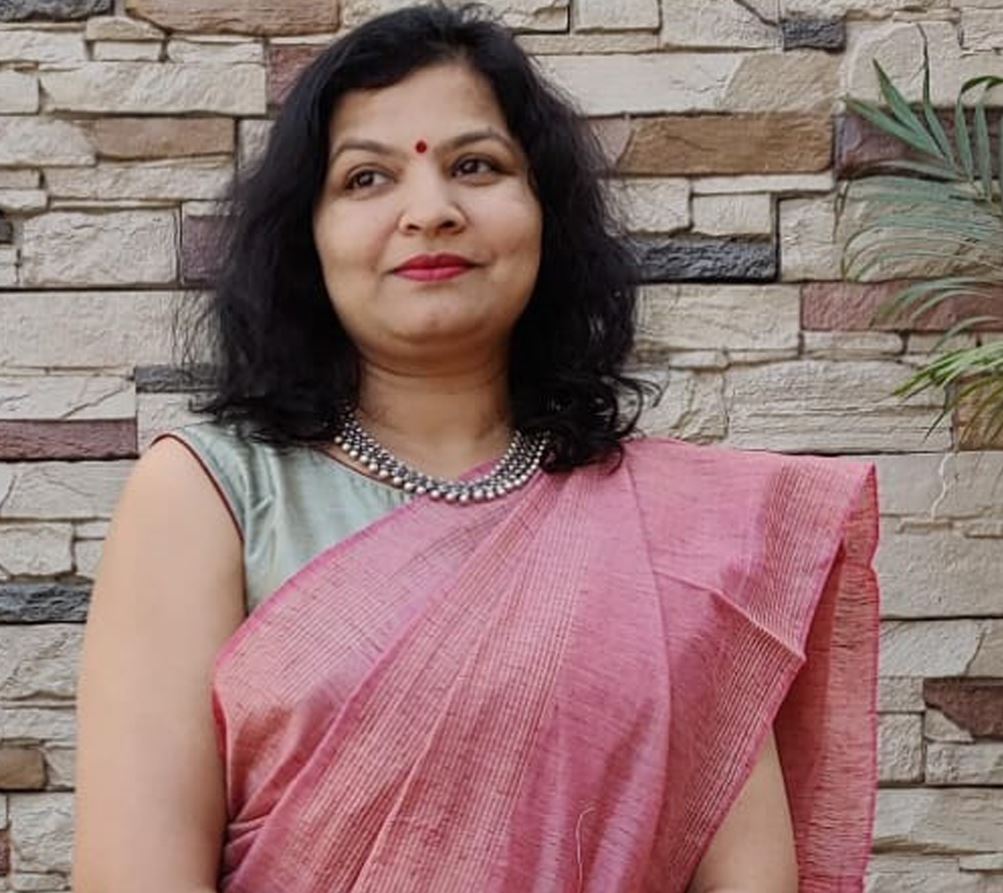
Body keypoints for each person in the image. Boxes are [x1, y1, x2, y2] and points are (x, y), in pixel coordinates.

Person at [72, 4, 881, 892]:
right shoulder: (209, 494)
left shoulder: (673, 531)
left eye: (475, 166)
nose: (430, 211)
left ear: (545, 214)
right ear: (308, 236)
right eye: (367, 178)